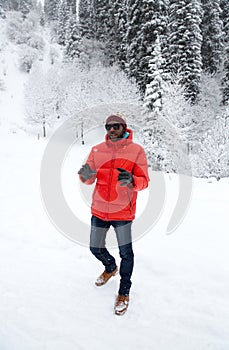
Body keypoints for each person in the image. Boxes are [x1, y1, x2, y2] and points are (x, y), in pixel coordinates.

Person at [78, 113, 149, 316]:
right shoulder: (97, 150)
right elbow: (88, 178)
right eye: (108, 127)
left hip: (123, 213)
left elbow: (144, 181)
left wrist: (133, 180)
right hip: (99, 210)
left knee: (126, 254)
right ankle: (110, 267)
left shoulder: (137, 151)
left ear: (124, 128)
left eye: (115, 126)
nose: (111, 130)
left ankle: (124, 293)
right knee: (95, 247)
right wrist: (86, 176)